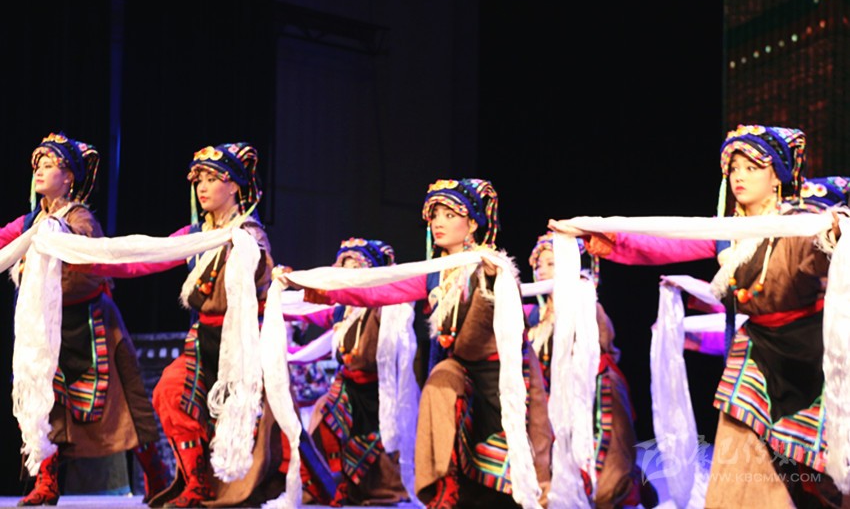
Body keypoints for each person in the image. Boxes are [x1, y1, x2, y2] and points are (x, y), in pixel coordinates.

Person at [563, 125, 844, 507]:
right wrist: (602, 233)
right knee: (739, 449)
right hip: (756, 350)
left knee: (818, 475)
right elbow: (666, 242)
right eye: (734, 168)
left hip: (809, 355)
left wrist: (832, 233)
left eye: (752, 167)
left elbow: (818, 254)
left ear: (777, 175)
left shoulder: (799, 223)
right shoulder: (728, 231)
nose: (739, 176)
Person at [292, 178, 552, 508]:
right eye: (435, 215)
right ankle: (442, 485)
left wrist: (489, 286)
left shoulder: (493, 268)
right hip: (460, 372)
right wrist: (328, 291)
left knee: (508, 478)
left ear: (472, 223)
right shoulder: (436, 272)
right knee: (439, 385)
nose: (438, 222)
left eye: (449, 215)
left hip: (500, 379)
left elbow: (503, 330)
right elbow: (381, 288)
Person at [78, 142, 282, 508]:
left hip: (243, 344)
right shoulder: (197, 235)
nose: (202, 187)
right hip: (203, 339)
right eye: (198, 180)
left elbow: (260, 278)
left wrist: (251, 256)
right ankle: (196, 482)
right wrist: (88, 261)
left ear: (233, 186)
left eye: (212, 179)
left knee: (256, 418)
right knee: (169, 392)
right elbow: (145, 257)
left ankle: (253, 484)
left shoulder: (250, 234)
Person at [3, 132, 168, 506]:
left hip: (95, 324)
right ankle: (46, 481)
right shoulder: (32, 221)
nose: (39, 171)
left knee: (129, 401)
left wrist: (56, 230)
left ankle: (156, 474)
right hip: (49, 328)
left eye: (50, 166)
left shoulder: (79, 218)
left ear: (69, 178)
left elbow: (84, 247)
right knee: (44, 399)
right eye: (38, 165)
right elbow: (3, 240)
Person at [524, 232, 656, 508]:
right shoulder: (535, 315)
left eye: (551, 263)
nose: (542, 270)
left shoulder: (585, 303)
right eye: (538, 265)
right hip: (551, 396)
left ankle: (622, 486)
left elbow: (603, 344)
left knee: (605, 460)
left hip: (592, 387)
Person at [281, 237, 412, 506]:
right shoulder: (342, 310)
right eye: (345, 268)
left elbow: (399, 308)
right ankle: (328, 484)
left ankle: (371, 490)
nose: (348, 275)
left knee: (373, 450)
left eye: (356, 269)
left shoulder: (382, 307)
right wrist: (278, 294)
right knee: (325, 424)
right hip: (347, 385)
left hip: (376, 391)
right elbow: (306, 310)